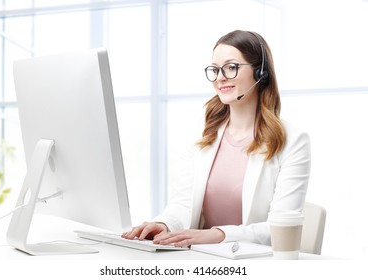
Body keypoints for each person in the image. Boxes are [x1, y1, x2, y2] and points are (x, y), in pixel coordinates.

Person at [122, 29, 311, 248]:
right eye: (215, 69)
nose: (220, 77)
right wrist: (164, 224)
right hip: (200, 258)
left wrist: (218, 235)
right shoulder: (202, 139)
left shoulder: (293, 142)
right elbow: (183, 204)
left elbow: (280, 227)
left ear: (260, 73)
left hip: (252, 263)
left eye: (231, 67)